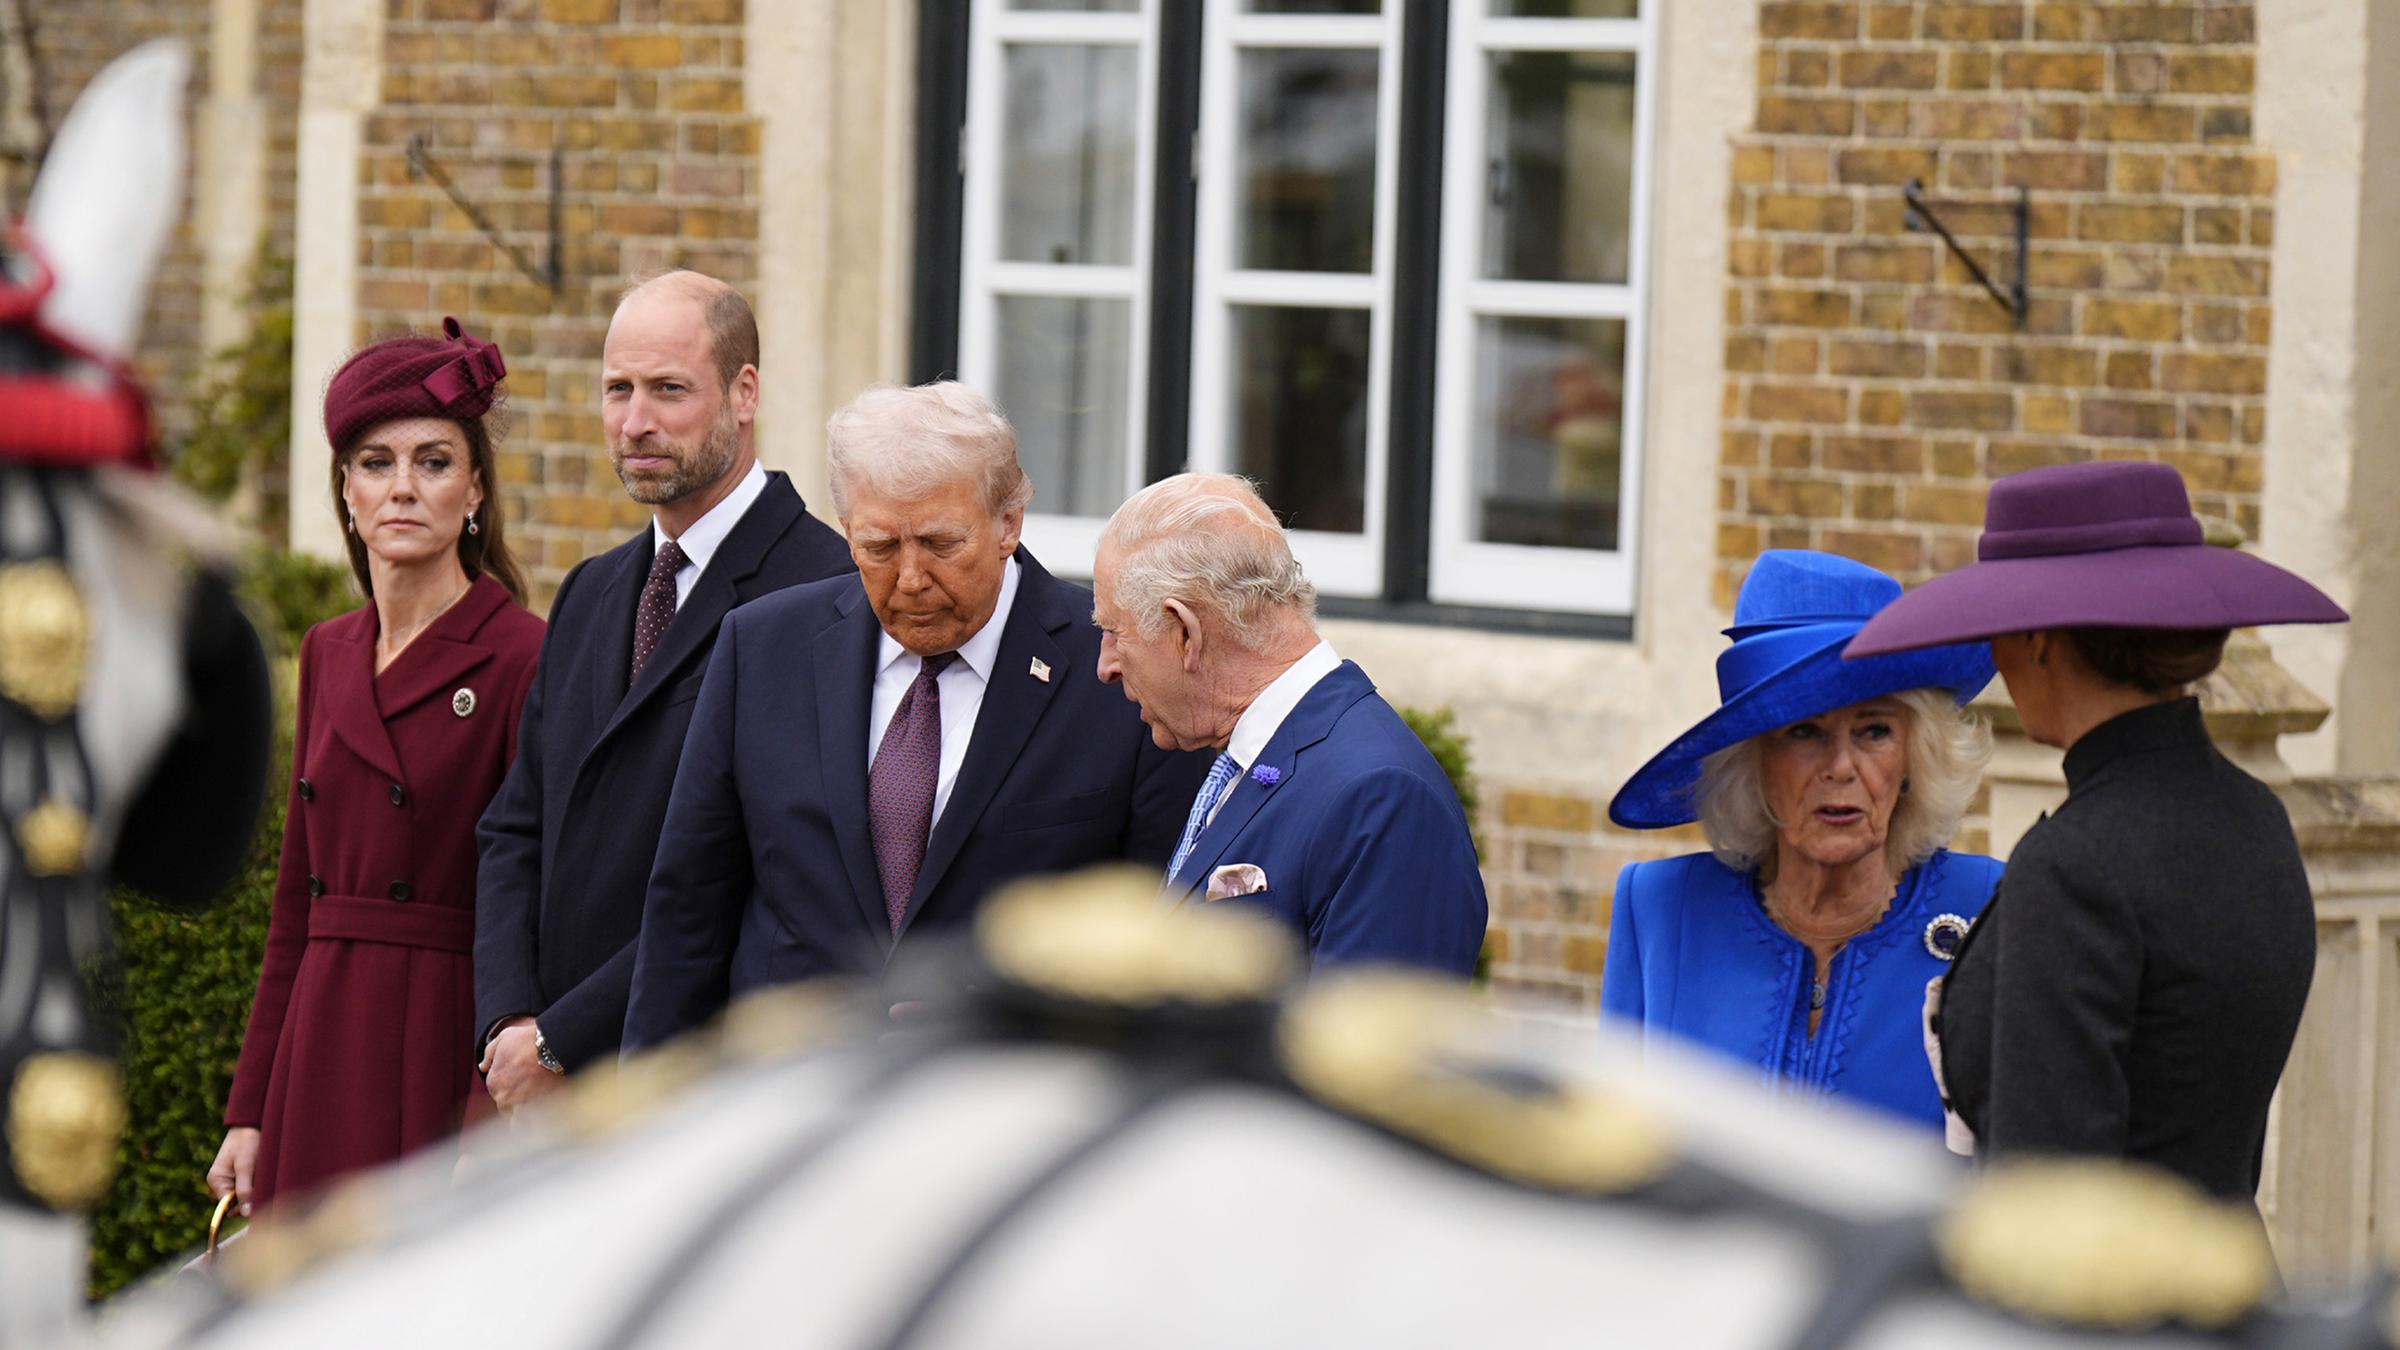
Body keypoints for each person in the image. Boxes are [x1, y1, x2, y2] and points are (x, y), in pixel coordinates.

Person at [621, 382, 1209, 1050]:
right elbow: (688, 911)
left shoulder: (1118, 672)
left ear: (1008, 523)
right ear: (846, 531)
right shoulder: (761, 649)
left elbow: (1163, 936)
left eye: (939, 543)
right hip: (790, 1100)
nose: (909, 578)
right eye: (878, 547)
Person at [1846, 461, 2348, 1200]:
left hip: (2115, 1306)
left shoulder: (2077, 866)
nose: (1997, 659)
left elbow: (2047, 1200)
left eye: (2000, 630)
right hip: (2231, 1289)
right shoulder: (2254, 815)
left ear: (2041, 639)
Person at [473, 273, 855, 1109]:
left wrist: (564, 1039)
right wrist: (508, 1022)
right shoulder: (589, 591)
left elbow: (759, 875)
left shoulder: (828, 595)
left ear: (744, 391)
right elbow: (517, 823)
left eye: (668, 390)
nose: (635, 422)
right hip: (546, 1090)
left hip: (701, 1086)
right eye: (618, 390)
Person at [210, 318, 544, 1215]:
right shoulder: (328, 650)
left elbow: (535, 908)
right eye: (374, 462)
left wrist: (489, 1114)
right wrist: (250, 1110)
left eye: (434, 462)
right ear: (345, 492)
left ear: (475, 489)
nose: (403, 488)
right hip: (320, 1039)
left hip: (440, 1036)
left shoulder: (524, 656)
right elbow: (295, 905)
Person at [1600, 550, 2001, 1131]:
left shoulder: (1991, 908)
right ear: (1754, 760)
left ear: (1915, 756)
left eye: (1874, 731)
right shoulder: (1661, 909)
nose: (1841, 767)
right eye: (1804, 732)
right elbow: (1613, 1153)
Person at [1090, 473, 1487, 975]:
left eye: (1113, 631)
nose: (1105, 665)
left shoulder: (1380, 795)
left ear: (1185, 632)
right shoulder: (1256, 757)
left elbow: (1369, 1043)